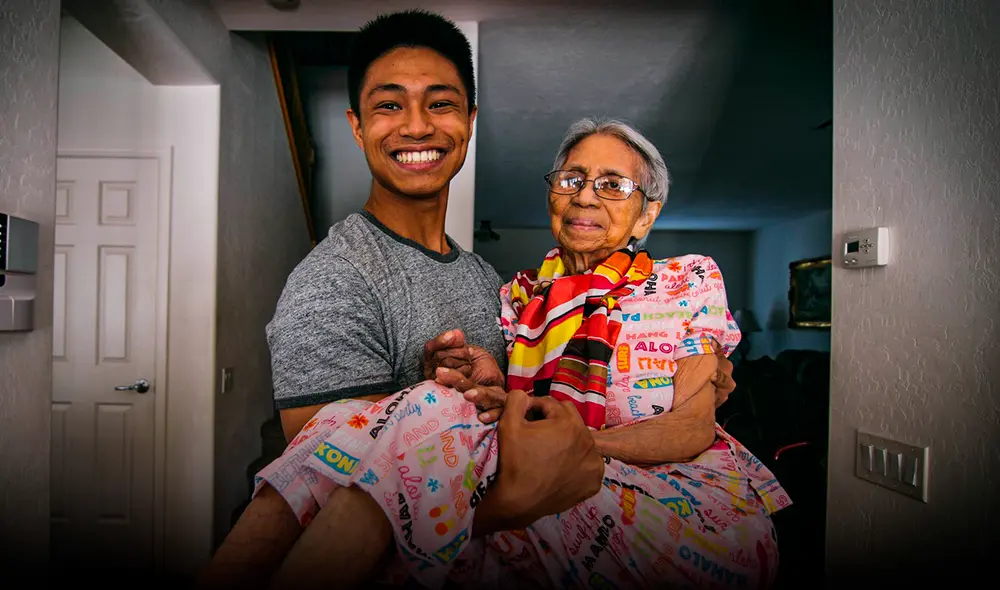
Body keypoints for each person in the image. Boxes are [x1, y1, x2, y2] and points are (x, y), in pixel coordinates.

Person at [195, 10, 737, 590]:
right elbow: (327, 468)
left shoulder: (492, 279)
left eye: (440, 103)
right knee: (421, 411)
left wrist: (521, 422)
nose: (416, 126)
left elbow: (677, 426)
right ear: (356, 126)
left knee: (429, 409)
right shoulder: (501, 294)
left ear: (469, 121)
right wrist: (482, 403)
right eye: (388, 104)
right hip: (484, 524)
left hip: (644, 512)